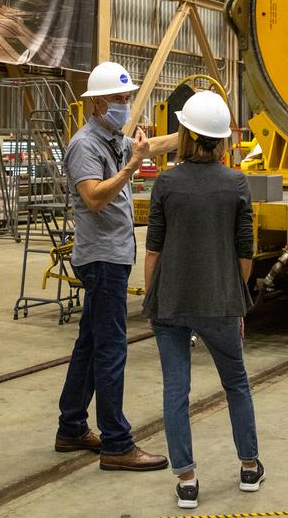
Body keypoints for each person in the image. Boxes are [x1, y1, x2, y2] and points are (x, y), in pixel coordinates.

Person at [55, 60, 177, 471]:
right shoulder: (86, 145)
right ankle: (117, 443)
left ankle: (71, 427)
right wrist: (132, 166)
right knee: (110, 350)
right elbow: (93, 198)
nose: (125, 105)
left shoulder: (112, 138)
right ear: (96, 103)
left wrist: (195, 130)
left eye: (127, 98)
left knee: (90, 344)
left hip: (114, 255)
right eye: (118, 99)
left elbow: (152, 146)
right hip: (101, 259)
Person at [144, 90, 260, 510]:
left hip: (171, 301)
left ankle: (187, 480)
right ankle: (249, 467)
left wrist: (152, 299)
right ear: (223, 139)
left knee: (176, 390)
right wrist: (236, 298)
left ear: (186, 134)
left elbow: (154, 249)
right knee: (236, 383)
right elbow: (244, 252)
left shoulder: (166, 182)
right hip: (220, 302)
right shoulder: (236, 183)